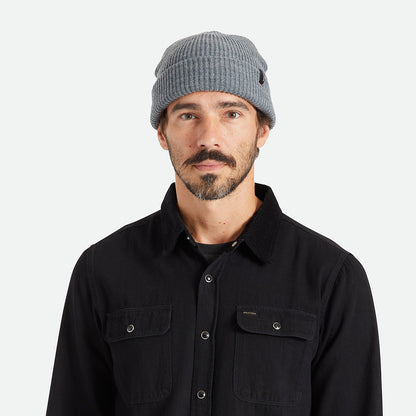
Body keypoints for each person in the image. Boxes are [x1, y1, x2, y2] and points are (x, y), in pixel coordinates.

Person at [45, 30, 383, 415]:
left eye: (231, 113)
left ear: (262, 130)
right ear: (162, 132)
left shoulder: (331, 278)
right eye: (188, 115)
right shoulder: (102, 270)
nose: (209, 138)